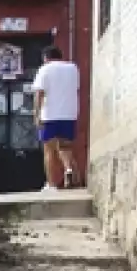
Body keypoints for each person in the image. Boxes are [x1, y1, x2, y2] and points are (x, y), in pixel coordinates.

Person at [33, 45, 81, 190]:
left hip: (50, 115)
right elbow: (76, 88)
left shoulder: (44, 69)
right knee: (65, 146)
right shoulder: (73, 68)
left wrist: (36, 113)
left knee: (49, 150)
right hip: (69, 113)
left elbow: (39, 94)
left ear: (46, 58)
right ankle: (69, 170)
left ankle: (51, 184)